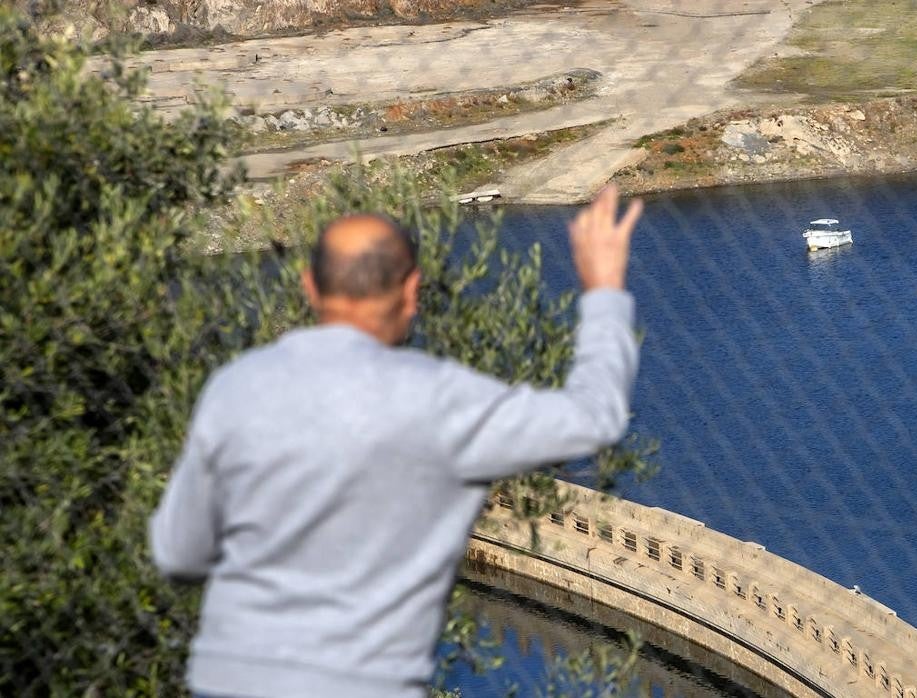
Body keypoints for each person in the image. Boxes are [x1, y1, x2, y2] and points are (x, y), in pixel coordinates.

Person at [149, 185, 644, 698]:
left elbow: (178, 552)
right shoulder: (441, 401)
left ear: (309, 288)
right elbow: (593, 419)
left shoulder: (235, 388)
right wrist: (604, 290)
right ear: (412, 291)